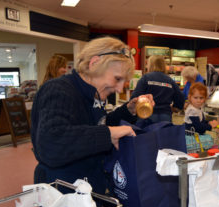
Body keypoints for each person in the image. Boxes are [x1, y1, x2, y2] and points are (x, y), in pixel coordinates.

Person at [31, 36, 154, 196]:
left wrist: (128, 111)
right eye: (117, 79)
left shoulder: (94, 95)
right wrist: (109, 133)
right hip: (62, 196)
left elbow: (95, 126)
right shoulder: (58, 90)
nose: (118, 88)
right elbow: (51, 142)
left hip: (88, 189)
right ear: (94, 63)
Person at [130, 55, 185, 123]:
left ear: (150, 65)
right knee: (163, 133)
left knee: (145, 133)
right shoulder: (170, 81)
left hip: (146, 114)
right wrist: (175, 107)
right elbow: (180, 99)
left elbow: (134, 97)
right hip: (165, 116)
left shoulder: (145, 78)